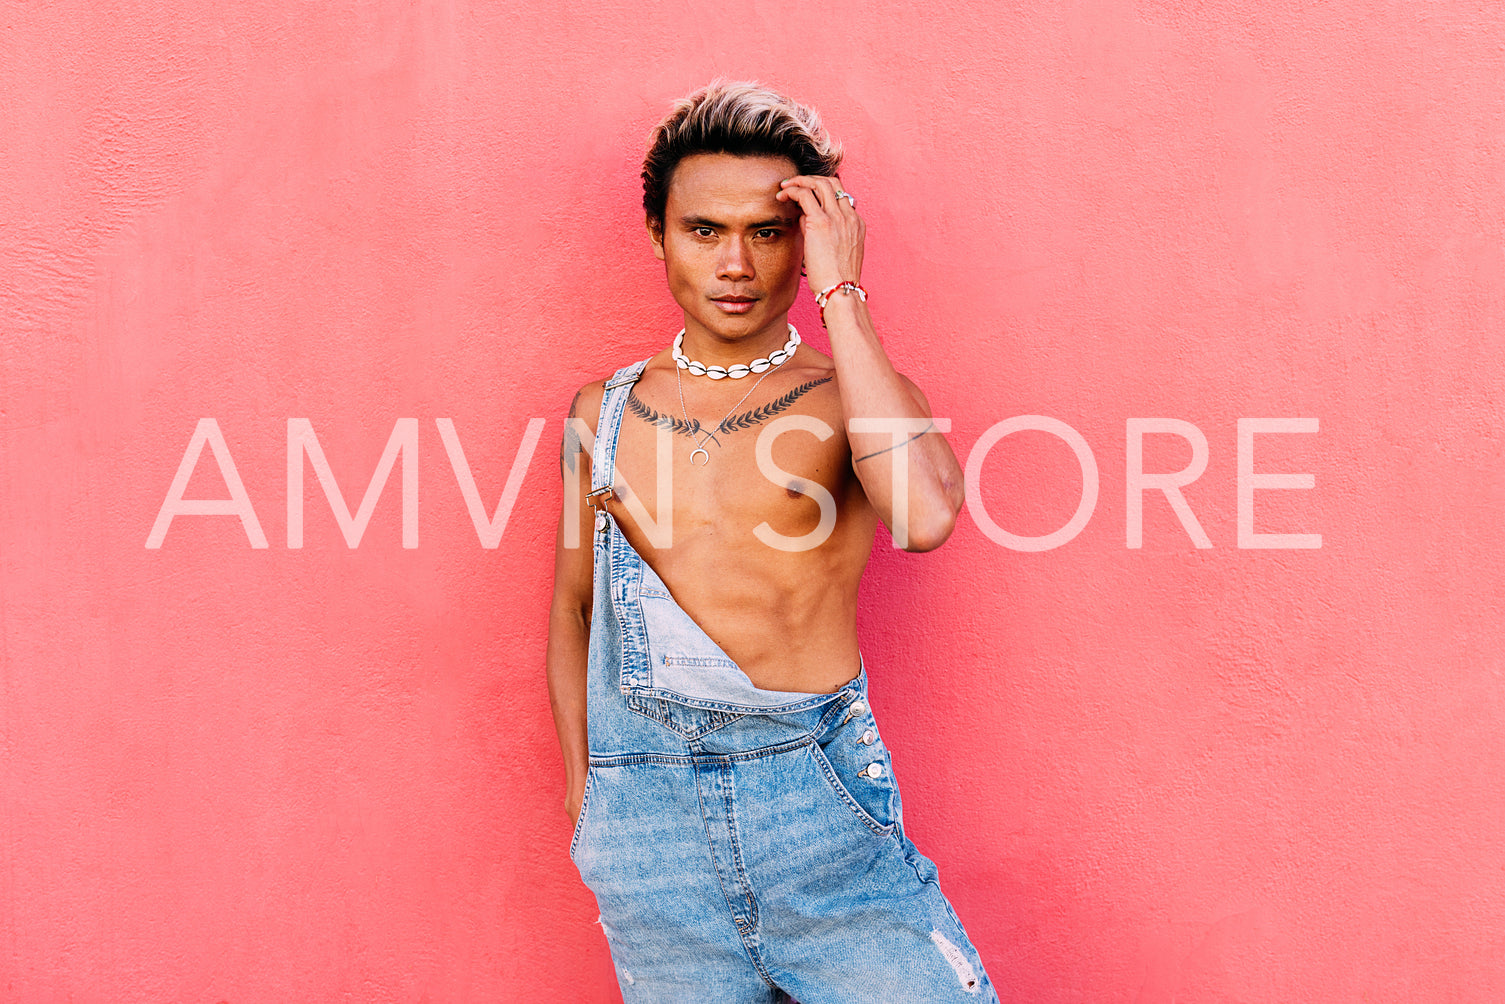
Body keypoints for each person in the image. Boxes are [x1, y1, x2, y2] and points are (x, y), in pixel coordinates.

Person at [547, 80, 999, 1002]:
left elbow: (921, 519)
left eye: (769, 231)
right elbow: (575, 606)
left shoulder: (852, 398)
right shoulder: (603, 412)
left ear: (808, 239)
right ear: (658, 237)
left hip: (816, 811)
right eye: (703, 231)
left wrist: (841, 291)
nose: (735, 265)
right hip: (648, 836)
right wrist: (585, 797)